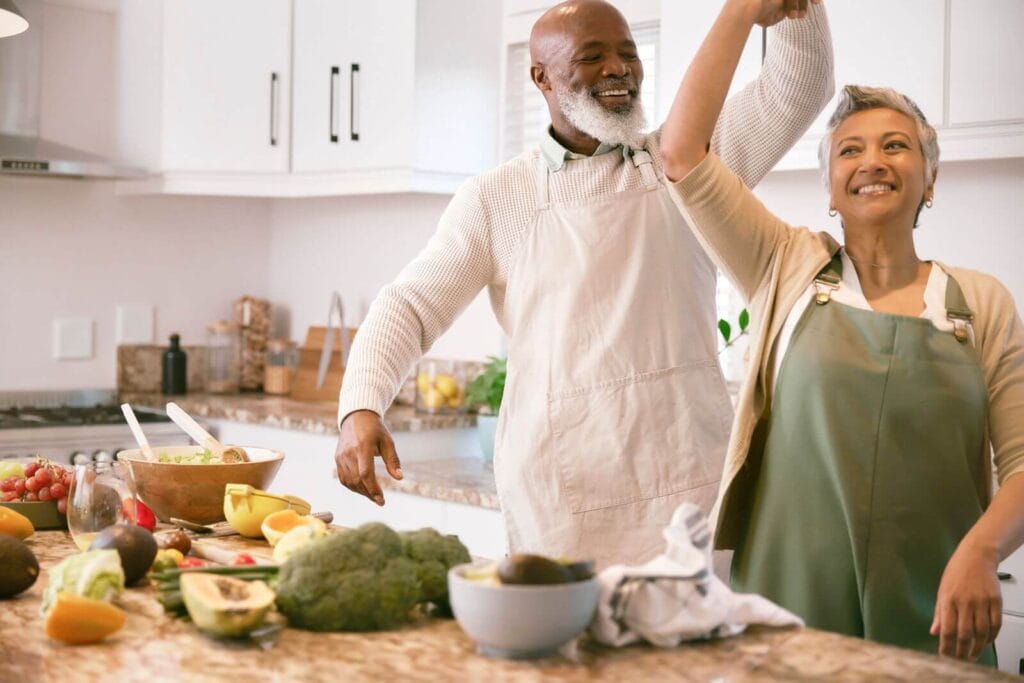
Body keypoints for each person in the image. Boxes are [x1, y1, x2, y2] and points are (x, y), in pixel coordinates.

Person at [335, 0, 834, 569]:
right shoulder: (497, 198)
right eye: (591, 56)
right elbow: (410, 307)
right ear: (540, 78)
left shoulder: (687, 158)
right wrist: (361, 409)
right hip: (560, 503)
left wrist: (797, 6)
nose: (618, 69)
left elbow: (800, 85)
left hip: (690, 487)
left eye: (627, 53)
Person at [658, 0, 1024, 664]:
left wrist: (981, 548)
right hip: (786, 618)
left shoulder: (981, 304)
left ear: (930, 180)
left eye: (896, 145)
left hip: (936, 617)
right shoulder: (783, 265)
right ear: (830, 186)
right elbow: (681, 150)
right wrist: (742, 11)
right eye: (849, 150)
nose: (872, 161)